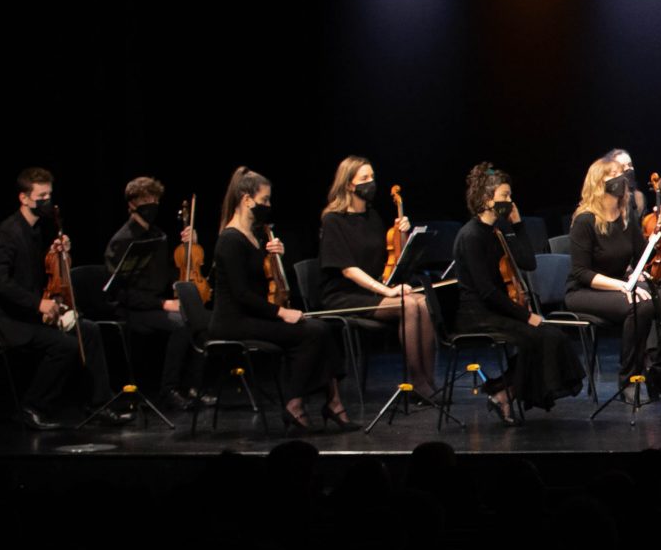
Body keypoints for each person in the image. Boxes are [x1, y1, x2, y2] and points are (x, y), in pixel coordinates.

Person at [209, 169, 345, 428]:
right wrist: (281, 313)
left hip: (251, 315)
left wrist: (272, 256)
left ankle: (327, 402)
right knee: (313, 332)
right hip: (233, 321)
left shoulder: (256, 237)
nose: (268, 206)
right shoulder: (229, 240)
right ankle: (301, 403)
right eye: (265, 199)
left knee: (319, 329)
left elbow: (262, 283)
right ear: (247, 199)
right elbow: (241, 294)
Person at [452, 164, 584, 422]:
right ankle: (505, 391)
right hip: (477, 314)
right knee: (538, 336)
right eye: (505, 196)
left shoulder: (497, 230)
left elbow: (527, 262)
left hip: (497, 309)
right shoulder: (470, 236)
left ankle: (504, 391)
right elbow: (487, 291)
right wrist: (525, 317)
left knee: (553, 335)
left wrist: (519, 225)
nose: (510, 201)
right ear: (487, 200)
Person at [0, 167, 116, 428]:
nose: (47, 201)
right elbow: (1, 282)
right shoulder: (8, 232)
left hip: (34, 313)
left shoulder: (36, 231)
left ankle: (99, 404)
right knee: (65, 345)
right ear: (24, 198)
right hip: (12, 321)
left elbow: (37, 273)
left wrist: (55, 254)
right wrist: (38, 303)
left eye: (49, 195)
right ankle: (31, 406)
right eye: (41, 196)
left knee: (89, 330)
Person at [566, 153, 661, 393]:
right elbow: (581, 272)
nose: (620, 179)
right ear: (598, 184)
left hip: (621, 284)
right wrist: (622, 286)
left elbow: (642, 257)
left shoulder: (626, 217)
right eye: (612, 176)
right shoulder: (585, 220)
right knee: (639, 305)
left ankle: (660, 374)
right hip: (585, 291)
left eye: (620, 175)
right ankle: (629, 379)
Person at [315, 155, 436, 388]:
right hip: (343, 295)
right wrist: (386, 291)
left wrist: (403, 233)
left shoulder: (372, 216)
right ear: (349, 184)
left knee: (424, 302)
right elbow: (348, 270)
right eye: (364, 178)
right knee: (408, 305)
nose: (371, 182)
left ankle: (430, 379)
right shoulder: (333, 220)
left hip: (373, 292)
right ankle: (418, 384)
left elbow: (390, 257)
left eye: (372, 177)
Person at [103, 175, 205, 407]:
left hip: (156, 305)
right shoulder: (121, 241)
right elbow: (120, 293)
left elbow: (170, 272)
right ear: (131, 204)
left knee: (199, 317)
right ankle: (168, 390)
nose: (152, 204)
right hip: (132, 310)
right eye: (145, 199)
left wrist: (191, 245)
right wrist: (162, 304)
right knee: (181, 323)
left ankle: (193, 387)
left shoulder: (158, 235)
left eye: (155, 199)